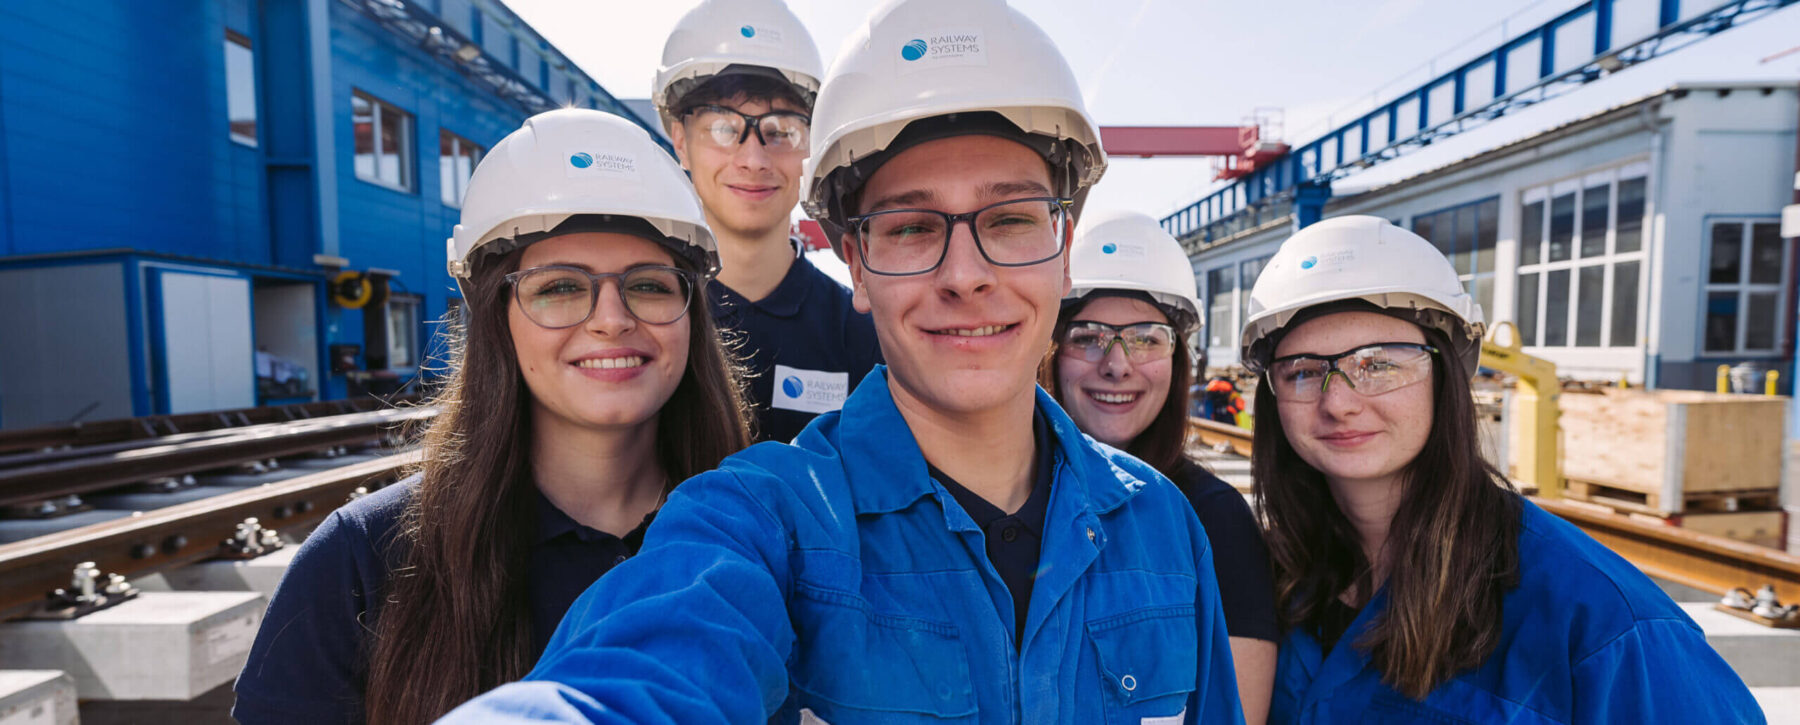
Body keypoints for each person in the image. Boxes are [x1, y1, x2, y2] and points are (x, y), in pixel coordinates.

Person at [442, 1, 1243, 722]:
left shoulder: (1161, 523)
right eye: (910, 228)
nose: (966, 275)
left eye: (1011, 220)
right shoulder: (764, 517)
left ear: (1065, 253)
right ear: (856, 266)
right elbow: (640, 673)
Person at [230, 110, 752, 724]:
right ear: (495, 319)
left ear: (692, 314)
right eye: (558, 287)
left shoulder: (758, 537)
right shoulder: (365, 558)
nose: (611, 318)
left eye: (649, 284)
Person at [1238, 216, 1761, 723]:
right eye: (1304, 372)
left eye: (1379, 364)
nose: (1340, 403)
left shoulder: (1599, 621)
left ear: (1447, 376)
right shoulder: (1273, 584)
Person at [1043, 209, 1278, 724]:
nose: (1118, 362)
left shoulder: (1217, 523)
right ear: (1052, 352)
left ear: (1177, 362)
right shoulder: (1008, 498)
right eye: (1088, 336)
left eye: (1147, 337)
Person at [653, 0, 881, 443]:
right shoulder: (648, 319)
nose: (754, 159)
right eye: (723, 128)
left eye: (780, 131)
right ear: (680, 141)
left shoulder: (861, 332)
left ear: (811, 145)